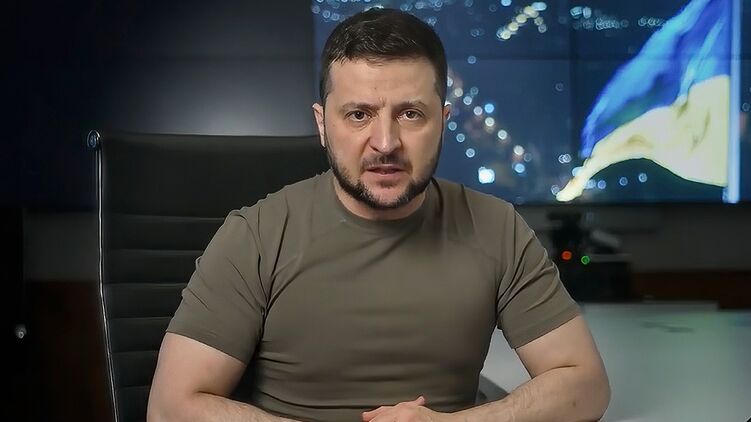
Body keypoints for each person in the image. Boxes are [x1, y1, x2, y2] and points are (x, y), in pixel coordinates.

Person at [147, 8, 610, 422]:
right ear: (321, 124)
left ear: (443, 122)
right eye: (358, 115)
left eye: (410, 114)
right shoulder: (256, 235)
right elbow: (170, 408)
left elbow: (586, 385)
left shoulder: (496, 227)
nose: (385, 143)